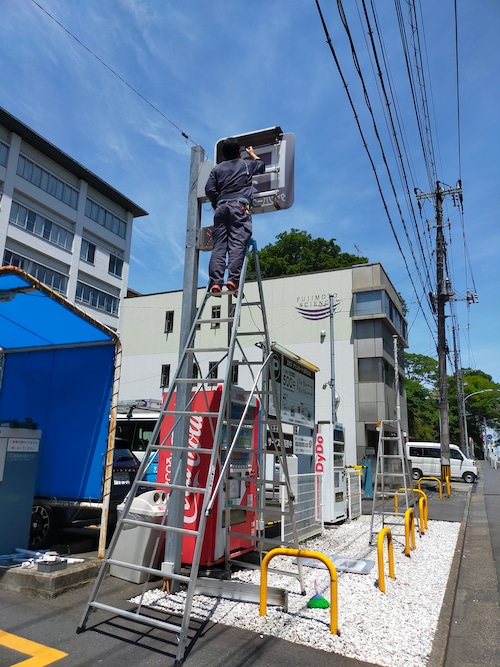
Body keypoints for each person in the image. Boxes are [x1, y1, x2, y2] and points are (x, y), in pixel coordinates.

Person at [205, 138, 265, 293]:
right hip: (239, 207)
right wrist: (252, 154)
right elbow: (261, 166)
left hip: (221, 208)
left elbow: (209, 189)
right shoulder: (246, 164)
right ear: (239, 152)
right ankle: (232, 280)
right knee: (237, 244)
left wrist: (216, 203)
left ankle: (216, 282)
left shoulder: (217, 169)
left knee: (219, 246)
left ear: (223, 155)